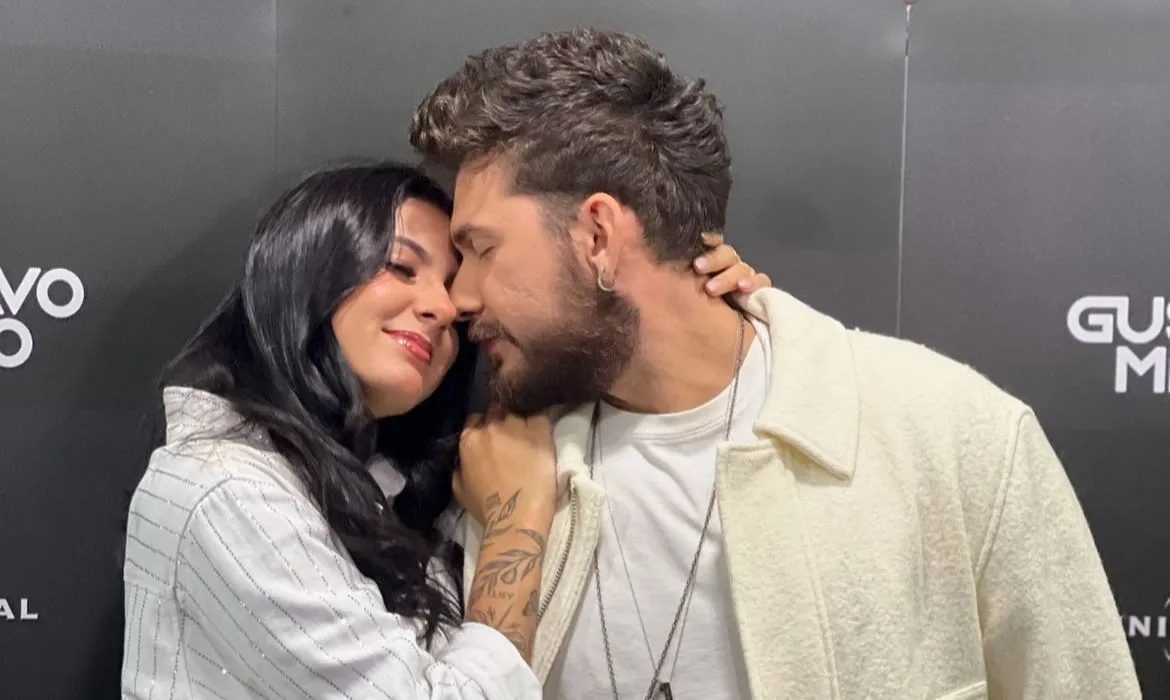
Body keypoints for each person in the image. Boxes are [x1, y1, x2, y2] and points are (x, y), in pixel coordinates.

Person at [409, 28, 1142, 699]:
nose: (458, 297)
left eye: (481, 248)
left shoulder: (953, 437)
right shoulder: (499, 469)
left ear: (598, 236)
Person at [120, 163, 767, 699]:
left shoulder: (393, 489)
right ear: (306, 268)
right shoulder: (225, 489)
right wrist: (516, 522)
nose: (444, 306)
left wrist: (693, 313)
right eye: (403, 268)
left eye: (454, 301)